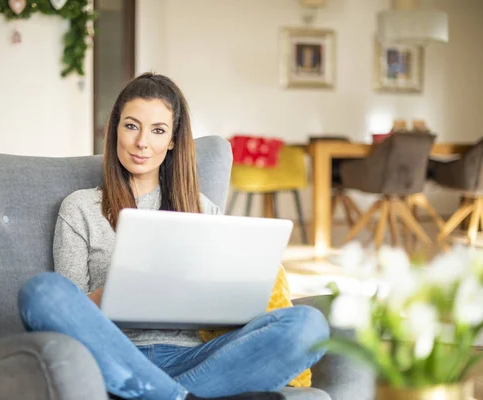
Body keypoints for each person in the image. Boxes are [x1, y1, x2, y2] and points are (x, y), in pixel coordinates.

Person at [17, 73, 329, 400]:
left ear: (172, 141)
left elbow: (230, 309)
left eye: (158, 131)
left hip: (196, 360)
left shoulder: (202, 211)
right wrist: (122, 289)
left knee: (310, 325)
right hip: (116, 358)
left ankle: (157, 394)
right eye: (131, 126)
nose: (142, 142)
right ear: (114, 130)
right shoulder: (79, 207)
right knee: (40, 290)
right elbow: (67, 312)